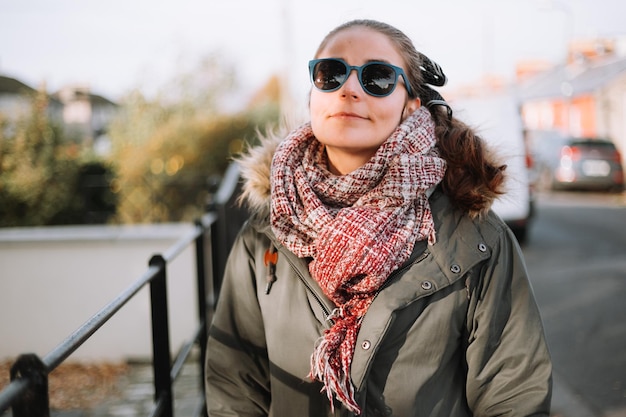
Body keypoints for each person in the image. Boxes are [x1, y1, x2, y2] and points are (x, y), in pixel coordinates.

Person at [205, 19, 552, 416]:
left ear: (410, 104)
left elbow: (513, 393)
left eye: (378, 78)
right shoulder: (265, 235)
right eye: (330, 74)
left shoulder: (475, 238)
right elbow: (235, 384)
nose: (349, 89)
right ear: (312, 95)